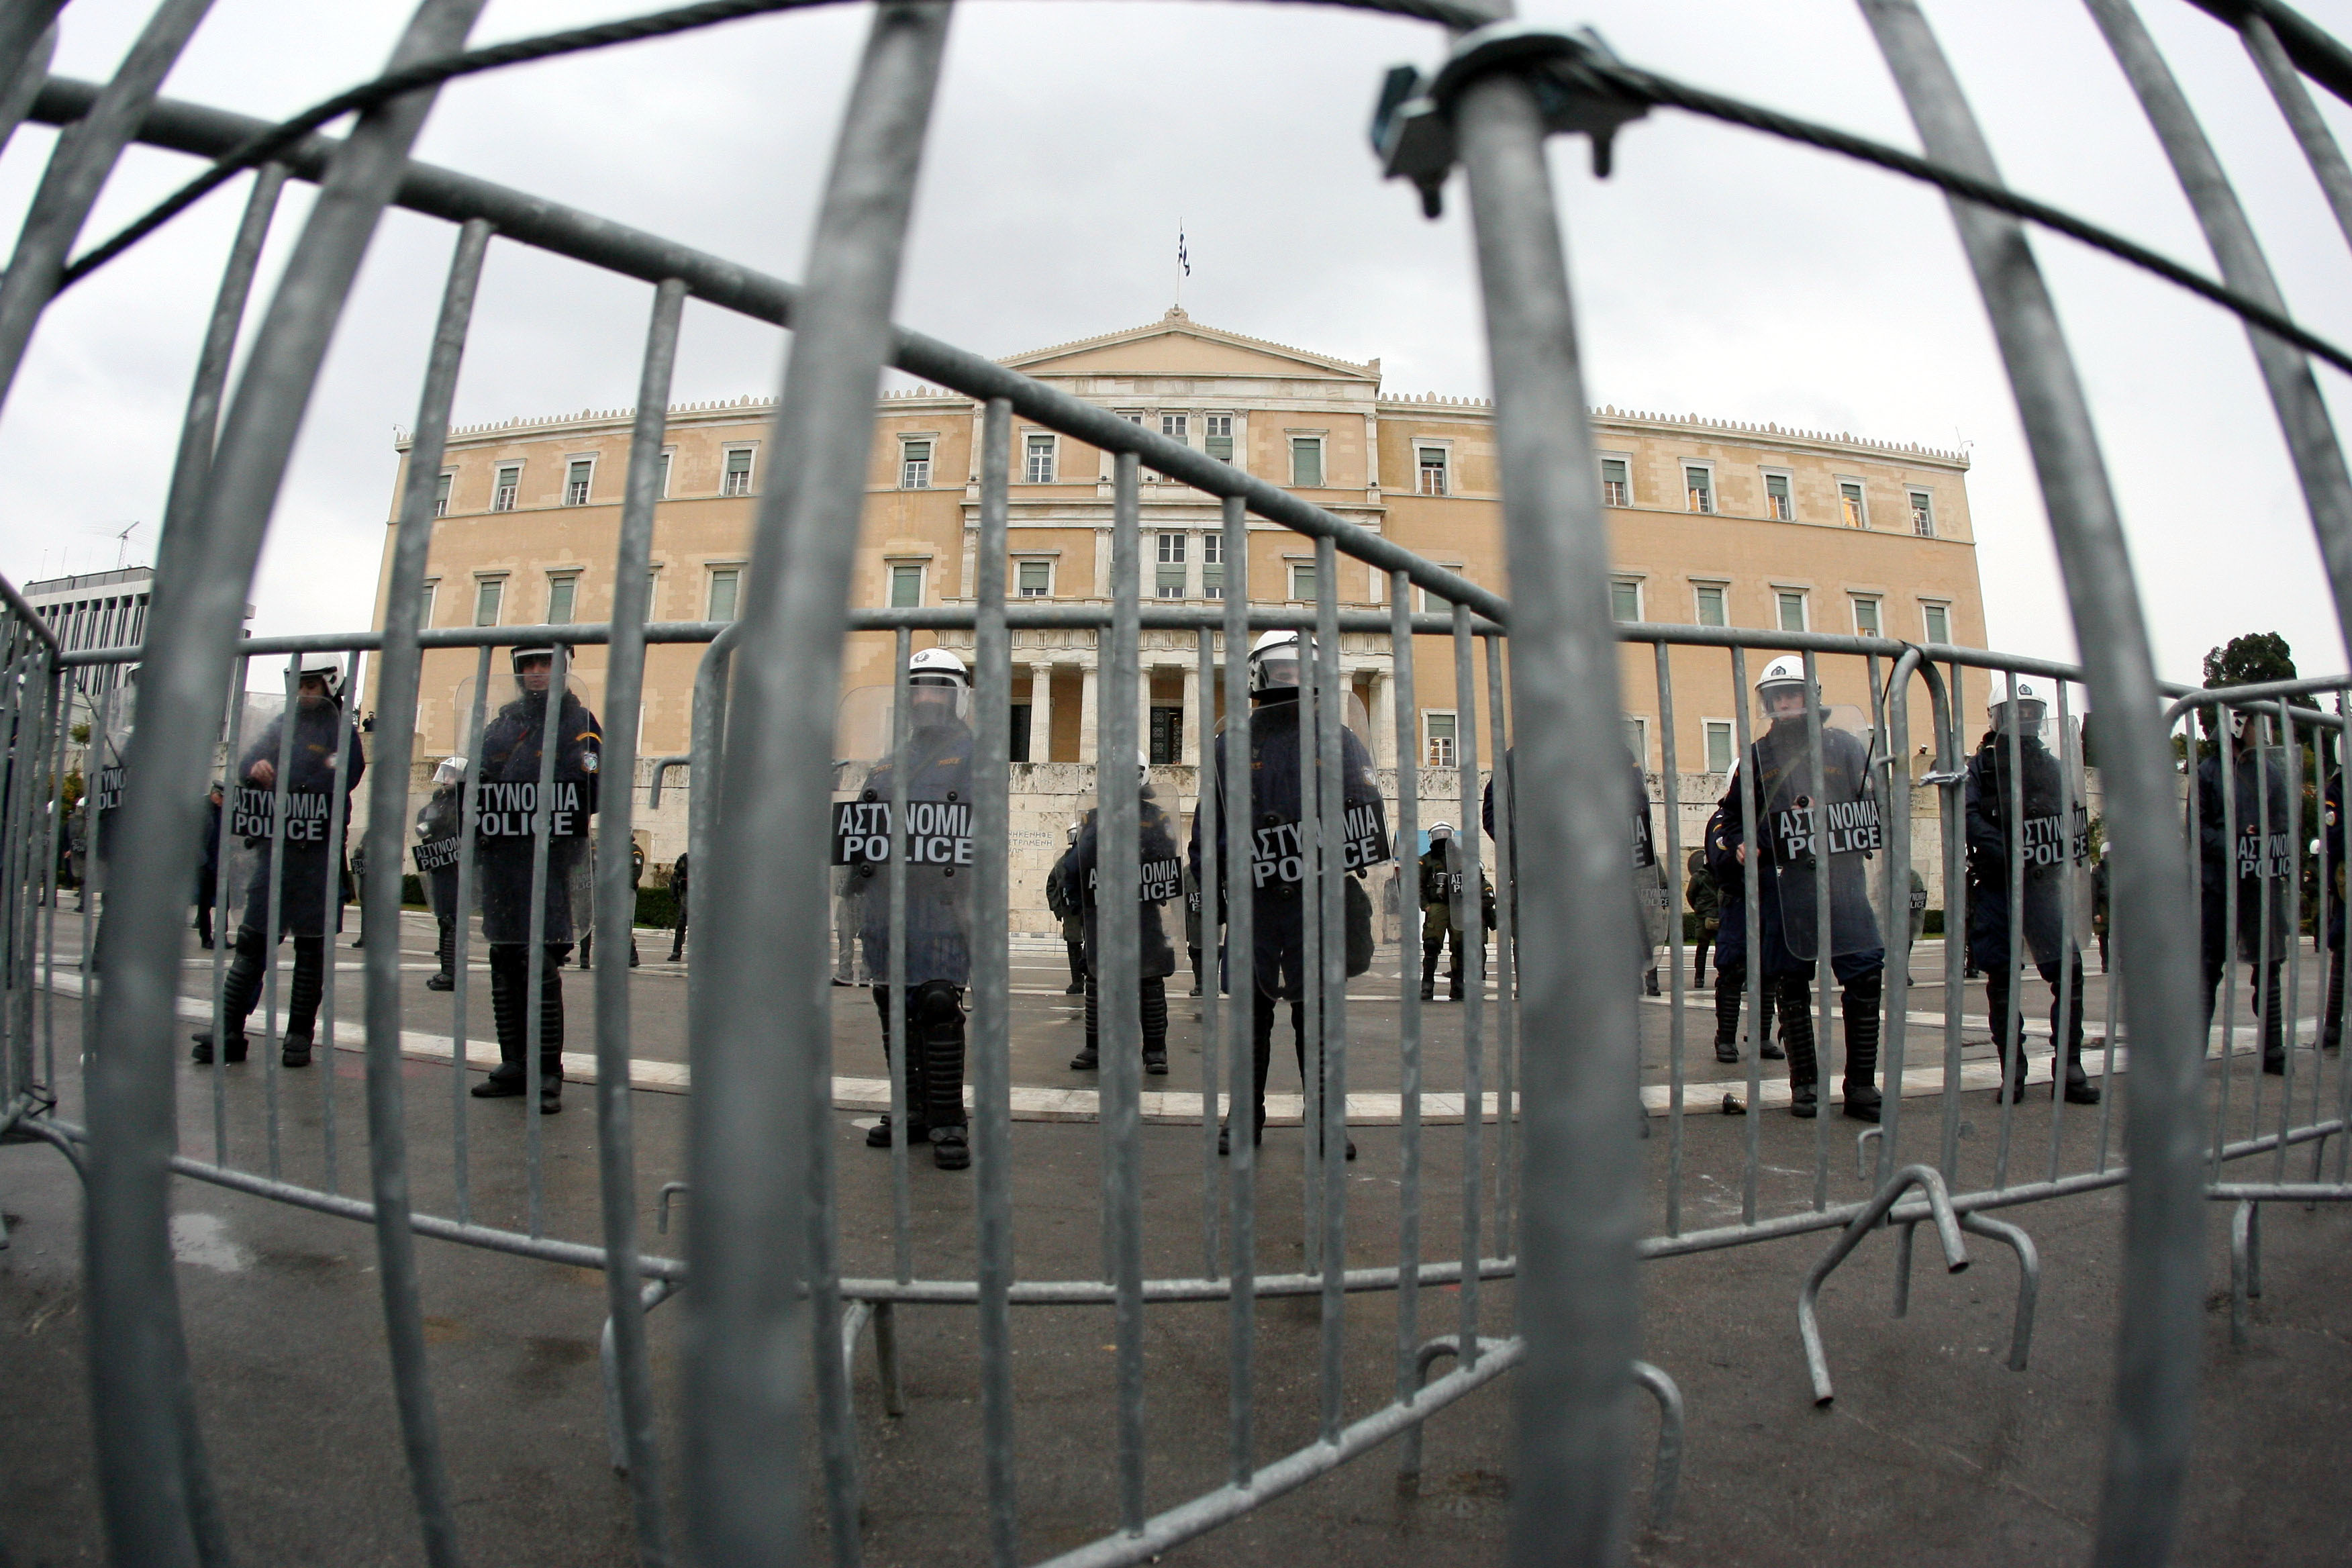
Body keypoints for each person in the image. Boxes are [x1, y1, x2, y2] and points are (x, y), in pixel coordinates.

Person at [1192, 629, 1386, 1159]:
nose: (1291, 678)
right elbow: (1208, 828)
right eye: (1282, 669)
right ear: (1261, 676)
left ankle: (1323, 1116)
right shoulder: (1230, 746)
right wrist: (1211, 890)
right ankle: (1244, 1112)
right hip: (1254, 901)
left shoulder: (1338, 740)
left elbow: (1365, 813)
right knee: (1250, 1017)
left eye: (1299, 669)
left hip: (1315, 900)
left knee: (1318, 1016)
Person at [1708, 655, 1885, 1121]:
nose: (1786, 703)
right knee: (1790, 983)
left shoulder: (1845, 746)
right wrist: (1742, 842)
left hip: (1843, 882)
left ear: (1812, 697)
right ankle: (1804, 1085)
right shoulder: (1756, 757)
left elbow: (1874, 803)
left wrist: (1867, 821)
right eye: (1778, 696)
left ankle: (1861, 1086)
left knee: (1865, 975)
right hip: (1786, 888)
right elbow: (1731, 816)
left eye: (1793, 694)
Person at [191, 656, 364, 1068]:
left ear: (330, 685)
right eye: (299, 685)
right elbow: (246, 764)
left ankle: (299, 1036)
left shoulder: (341, 729)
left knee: (311, 948)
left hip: (318, 854)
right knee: (253, 942)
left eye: (311, 685)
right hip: (274, 852)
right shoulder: (282, 725)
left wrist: (286, 781)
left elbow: (345, 774)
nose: (304, 693)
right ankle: (228, 1030)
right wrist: (255, 769)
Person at [846, 646, 975, 1171]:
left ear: (956, 696)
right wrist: (852, 879)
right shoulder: (887, 762)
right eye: (918, 687)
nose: (926, 698)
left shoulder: (972, 756)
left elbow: (985, 829)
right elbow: (863, 827)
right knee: (893, 1005)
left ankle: (948, 1119)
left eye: (937, 688)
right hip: (886, 904)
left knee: (938, 1003)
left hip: (942, 903)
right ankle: (912, 1109)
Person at [468, 644, 602, 1112]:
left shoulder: (579, 723)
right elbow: (478, 777)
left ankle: (547, 1070)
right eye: (529, 664)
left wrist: (540, 790)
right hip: (503, 859)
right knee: (504, 957)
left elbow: (591, 784)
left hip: (548, 860)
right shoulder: (502, 724)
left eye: (546, 663)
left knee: (538, 962)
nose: (538, 672)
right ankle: (514, 1063)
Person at [1965, 675, 2099, 1106]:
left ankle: (2070, 1066)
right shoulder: (1981, 767)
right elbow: (1969, 818)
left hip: (2042, 884)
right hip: (1998, 884)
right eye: (2016, 712)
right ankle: (2013, 1072)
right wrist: (2009, 849)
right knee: (2003, 981)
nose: (2024, 719)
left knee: (2068, 971)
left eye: (2031, 712)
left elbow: (2071, 812)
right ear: (1998, 717)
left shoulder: (2051, 765)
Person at [1066, 750, 1179, 1076]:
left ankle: (1155, 1050)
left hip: (1143, 912)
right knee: (1097, 980)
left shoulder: (1156, 817)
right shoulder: (1093, 818)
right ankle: (1097, 1045)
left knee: (1150, 981)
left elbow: (1166, 858)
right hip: (1104, 911)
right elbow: (1075, 865)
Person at [2194, 705, 2293, 1077]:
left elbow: (2283, 819)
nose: (2259, 730)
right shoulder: (2207, 772)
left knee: (2269, 963)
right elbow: (2199, 827)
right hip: (2219, 885)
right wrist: (2235, 843)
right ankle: (2193, 1053)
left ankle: (2273, 1048)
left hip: (2260, 882)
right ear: (2236, 726)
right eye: (2254, 723)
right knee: (2208, 967)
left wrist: (2267, 836)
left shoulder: (2270, 773)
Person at [1706, 799, 1783, 1067]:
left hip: (1771, 902)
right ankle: (1725, 1038)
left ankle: (1761, 1035)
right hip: (1738, 901)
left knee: (1770, 971)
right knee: (1733, 970)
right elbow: (1720, 858)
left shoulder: (1772, 816)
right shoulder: (1723, 821)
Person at [1417, 822, 1491, 1001]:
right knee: (1431, 944)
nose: (1442, 837)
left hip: (1459, 904)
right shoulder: (1426, 860)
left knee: (1460, 945)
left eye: (1445, 833)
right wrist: (1425, 905)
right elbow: (1416, 884)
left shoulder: (1462, 858)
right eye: (1439, 833)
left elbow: (1477, 878)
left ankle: (1458, 986)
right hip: (1437, 906)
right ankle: (1427, 985)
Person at [413, 755, 465, 992]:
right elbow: (425, 819)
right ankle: (446, 968)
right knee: (443, 917)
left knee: (451, 918)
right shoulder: (441, 799)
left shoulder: (463, 801)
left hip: (454, 864)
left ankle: (452, 972)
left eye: (451, 775)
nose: (446, 779)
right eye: (445, 774)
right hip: (439, 861)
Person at [1046, 823, 1086, 995]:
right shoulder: (1065, 860)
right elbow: (1052, 883)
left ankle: (1085, 980)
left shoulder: (1093, 856)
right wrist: (1059, 909)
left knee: (1087, 944)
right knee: (1074, 944)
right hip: (1072, 909)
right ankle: (1078, 982)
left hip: (1089, 908)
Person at [193, 782, 224, 950]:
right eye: (221, 797)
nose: (222, 802)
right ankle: (206, 937)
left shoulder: (222, 812)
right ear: (214, 794)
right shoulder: (203, 810)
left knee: (224, 903)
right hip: (207, 864)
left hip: (220, 863)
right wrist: (203, 862)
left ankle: (221, 936)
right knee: (205, 904)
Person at [1685, 845, 1718, 989]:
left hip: (1703, 917)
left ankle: (1699, 978)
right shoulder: (1721, 875)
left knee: (1702, 949)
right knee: (1721, 948)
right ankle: (1722, 976)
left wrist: (1698, 909)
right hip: (1719, 915)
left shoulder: (1697, 877)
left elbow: (1690, 895)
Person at [667, 850, 689, 963]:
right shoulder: (684, 859)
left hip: (704, 895)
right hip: (687, 893)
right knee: (681, 923)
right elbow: (675, 877)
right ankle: (676, 952)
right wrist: (674, 894)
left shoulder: (709, 857)